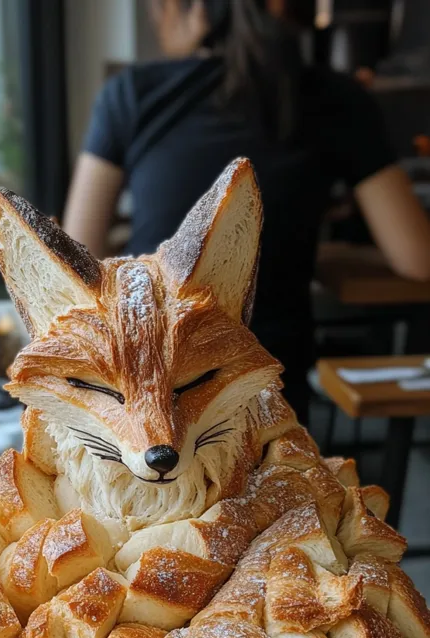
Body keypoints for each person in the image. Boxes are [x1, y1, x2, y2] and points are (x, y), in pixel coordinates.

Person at [63, 0, 430, 423]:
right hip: (268, 393)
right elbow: (417, 259)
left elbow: (79, 259)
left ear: (193, 10)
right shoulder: (338, 98)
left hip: (143, 397)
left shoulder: (130, 93)